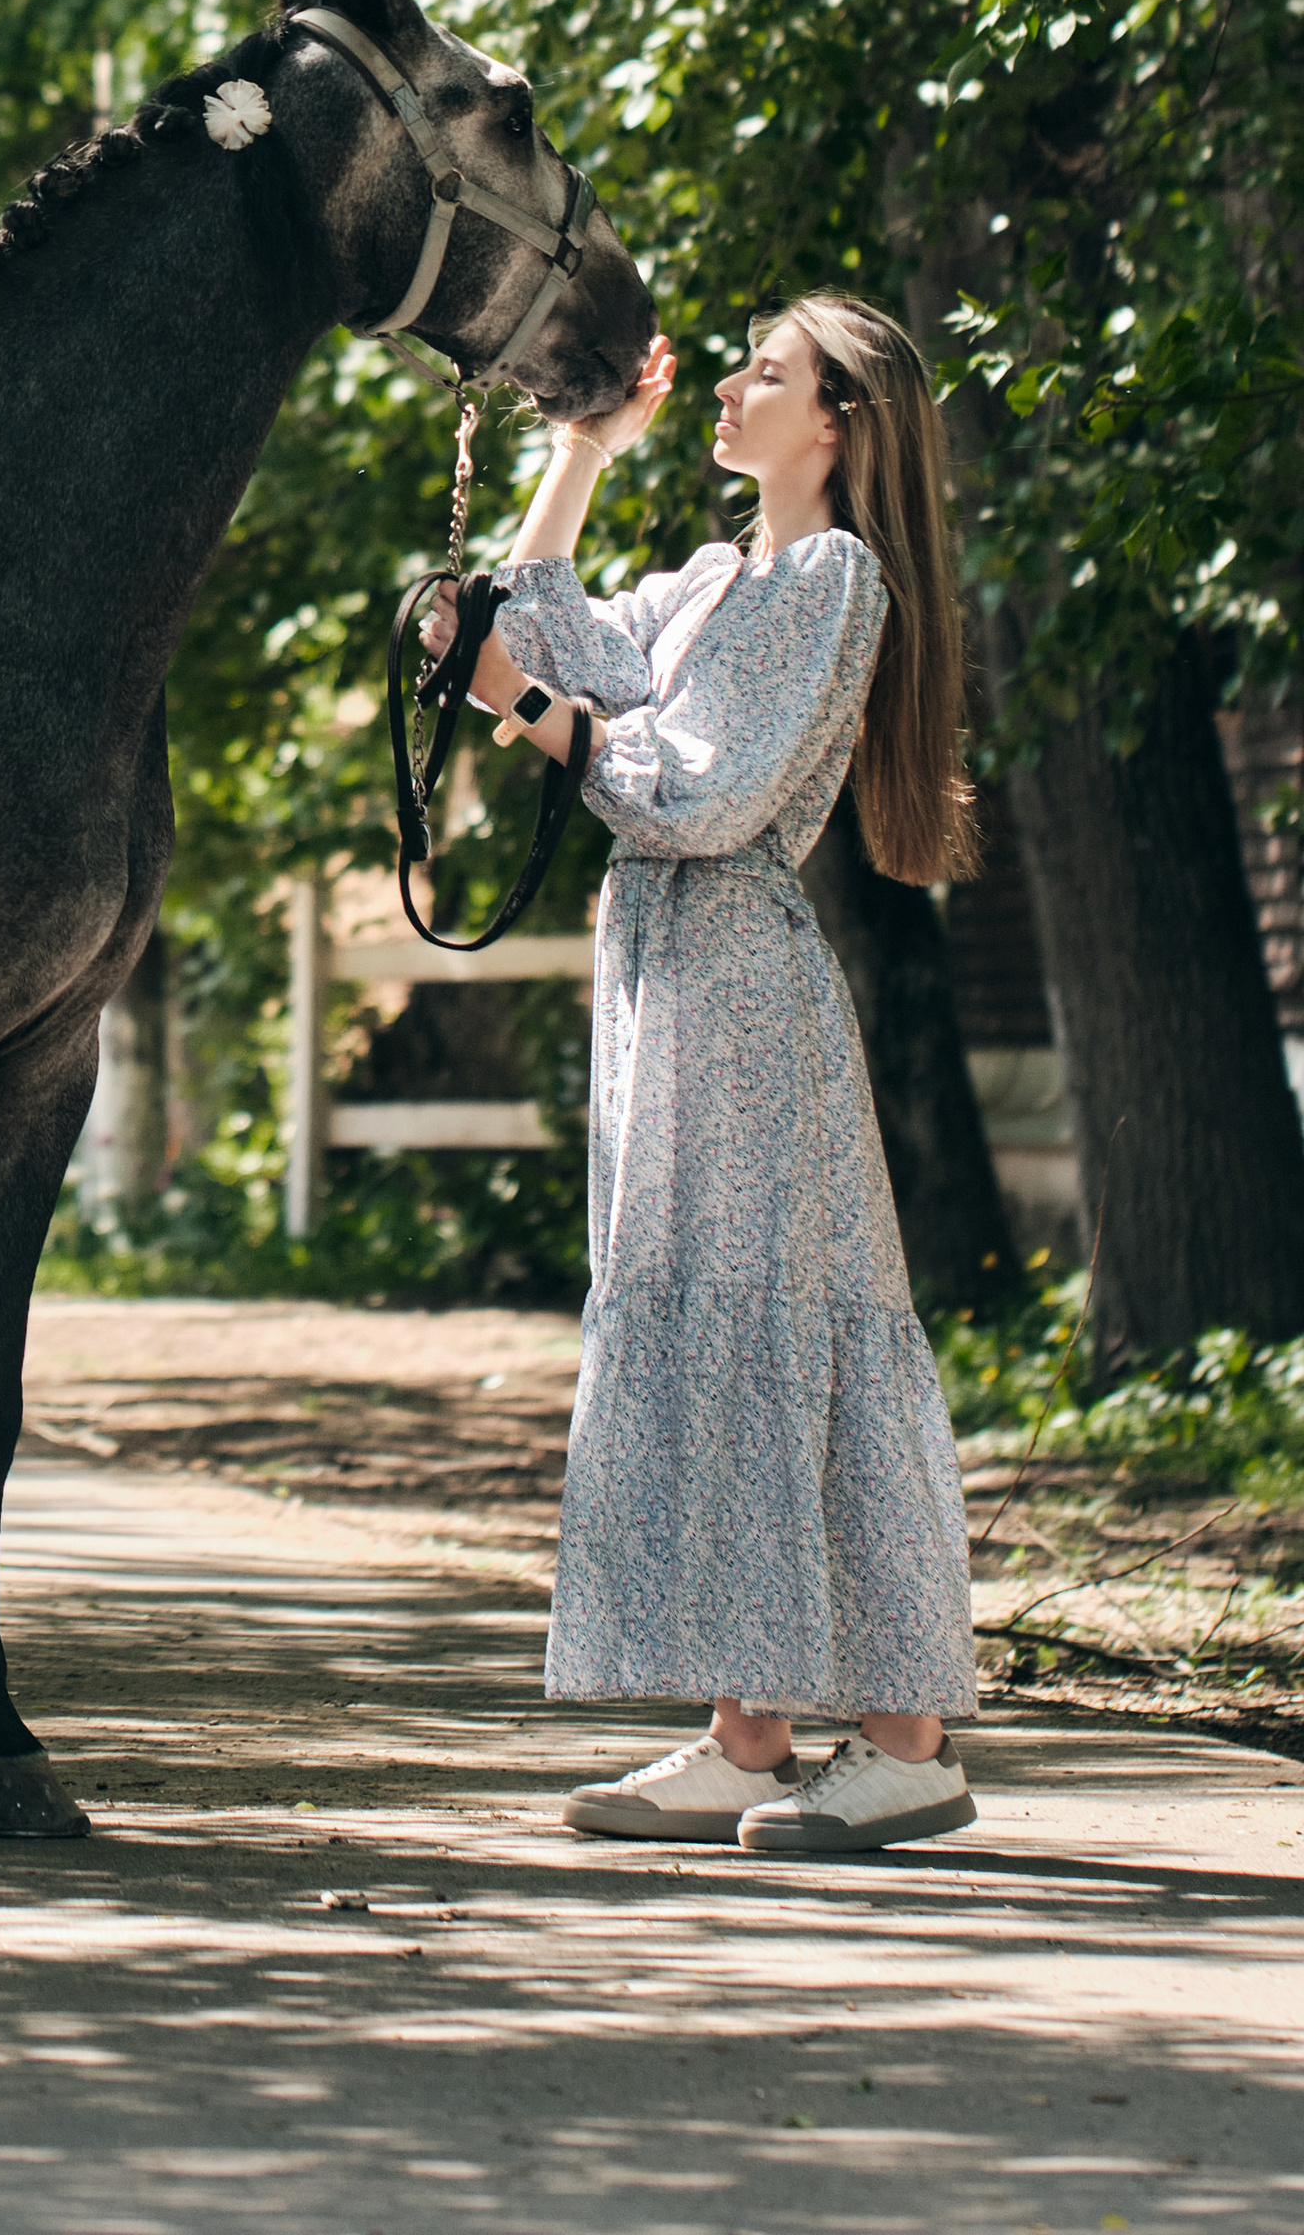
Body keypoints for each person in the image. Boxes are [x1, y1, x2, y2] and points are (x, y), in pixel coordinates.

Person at [447, 295, 982, 1856]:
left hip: (740, 992)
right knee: (702, 1322)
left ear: (840, 421)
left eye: (769, 371)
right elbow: (550, 631)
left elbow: (700, 795)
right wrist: (582, 450)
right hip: (666, 987)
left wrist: (520, 706)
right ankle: (748, 1739)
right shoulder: (712, 581)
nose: (731, 389)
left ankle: (907, 1744)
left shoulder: (831, 578)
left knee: (775, 1326)